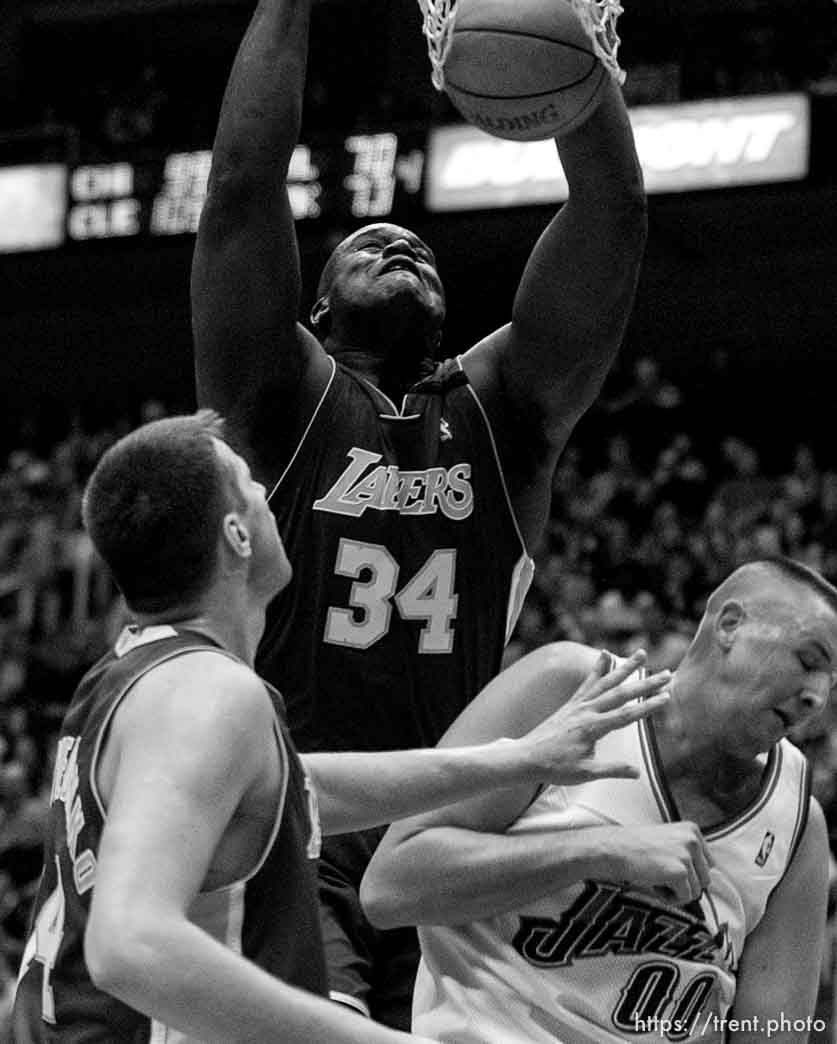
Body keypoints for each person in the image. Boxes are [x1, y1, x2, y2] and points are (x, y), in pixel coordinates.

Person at [191, 0, 648, 1026]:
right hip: (291, 823)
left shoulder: (507, 411)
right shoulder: (278, 401)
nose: (401, 243)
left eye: (421, 250)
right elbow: (243, 187)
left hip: (451, 837)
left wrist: (569, 33)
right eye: (366, 246)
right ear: (313, 312)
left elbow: (610, 214)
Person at [11, 413, 672, 1044]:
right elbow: (128, 945)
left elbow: (289, 788)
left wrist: (517, 759)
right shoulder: (206, 695)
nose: (270, 496)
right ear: (237, 536)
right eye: (252, 486)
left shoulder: (139, 673)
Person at [362, 557, 837, 1044]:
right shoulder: (572, 691)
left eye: (832, 682)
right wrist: (599, 851)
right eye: (808, 661)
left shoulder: (799, 820)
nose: (817, 697)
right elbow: (391, 886)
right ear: (730, 626)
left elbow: (775, 1033)